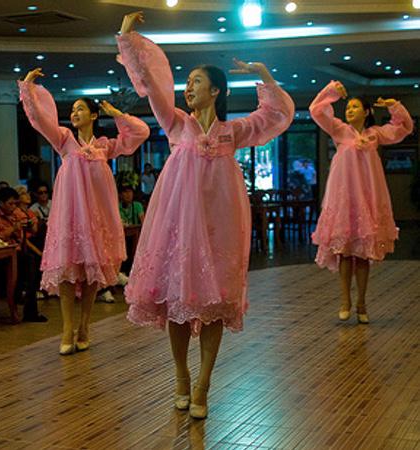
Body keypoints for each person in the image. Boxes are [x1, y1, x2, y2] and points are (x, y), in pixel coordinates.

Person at [117, 11, 294, 419]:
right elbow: (151, 86)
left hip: (221, 225)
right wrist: (128, 35)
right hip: (178, 225)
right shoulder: (176, 124)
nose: (188, 88)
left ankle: (204, 382)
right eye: (187, 82)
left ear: (216, 90)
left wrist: (264, 74)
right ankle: (181, 375)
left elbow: (276, 116)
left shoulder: (234, 133)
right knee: (178, 301)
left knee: (213, 302)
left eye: (196, 82)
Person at [19, 66, 150, 355]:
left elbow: (141, 132)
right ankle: (67, 328)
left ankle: (85, 325)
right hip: (69, 215)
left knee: (92, 274)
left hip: (98, 217)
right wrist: (27, 87)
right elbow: (40, 119)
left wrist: (117, 113)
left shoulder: (105, 145)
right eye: (73, 110)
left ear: (93, 116)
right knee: (68, 273)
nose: (75, 113)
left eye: (81, 109)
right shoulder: (64, 138)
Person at [309, 81, 412, 324]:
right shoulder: (339, 130)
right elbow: (316, 110)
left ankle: (362, 303)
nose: (350, 111)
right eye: (349, 107)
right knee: (345, 252)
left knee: (363, 256)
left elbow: (404, 127)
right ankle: (345, 301)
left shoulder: (375, 134)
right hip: (345, 199)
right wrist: (332, 92)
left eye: (356, 107)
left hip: (368, 197)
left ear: (366, 112)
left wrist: (394, 106)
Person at [0, 187, 46, 322]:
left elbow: (33, 230)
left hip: (19, 253)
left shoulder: (18, 213)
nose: (13, 207)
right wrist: (12, 228)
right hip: (1, 257)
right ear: (1, 203)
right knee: (29, 263)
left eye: (15, 203)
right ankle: (21, 298)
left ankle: (30, 309)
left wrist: (30, 224)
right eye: (10, 204)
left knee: (32, 262)